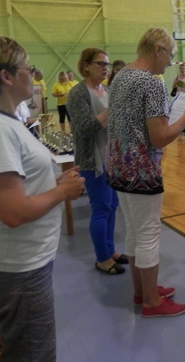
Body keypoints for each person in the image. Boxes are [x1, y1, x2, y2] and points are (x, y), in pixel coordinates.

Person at [0, 35, 85, 361]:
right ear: (7, 76)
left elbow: (17, 186)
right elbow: (12, 212)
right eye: (26, 66)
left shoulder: (4, 121)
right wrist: (61, 192)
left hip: (18, 265)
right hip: (16, 270)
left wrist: (53, 182)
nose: (33, 73)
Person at [107, 28, 185, 318]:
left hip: (119, 166)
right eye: (170, 55)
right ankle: (151, 301)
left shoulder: (121, 76)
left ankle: (142, 291)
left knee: (134, 232)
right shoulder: (151, 82)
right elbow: (159, 137)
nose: (170, 61)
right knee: (148, 234)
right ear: (158, 49)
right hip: (142, 170)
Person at [68, 48, 127, 275]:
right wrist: (114, 110)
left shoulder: (108, 90)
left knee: (112, 205)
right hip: (92, 160)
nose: (105, 68)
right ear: (86, 66)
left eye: (107, 64)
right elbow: (85, 128)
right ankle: (102, 258)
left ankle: (110, 250)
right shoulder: (78, 93)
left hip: (112, 158)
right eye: (100, 64)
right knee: (101, 207)